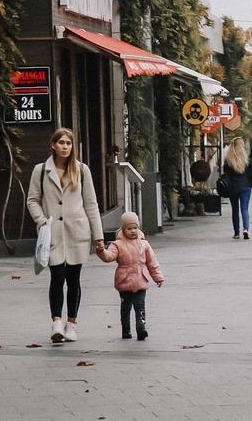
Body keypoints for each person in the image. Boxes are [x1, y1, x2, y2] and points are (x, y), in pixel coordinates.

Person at [27, 127, 105, 344]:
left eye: (68, 143)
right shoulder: (41, 170)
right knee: (56, 277)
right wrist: (42, 221)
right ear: (53, 145)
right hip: (52, 234)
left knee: (73, 280)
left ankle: (71, 324)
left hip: (77, 233)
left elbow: (91, 204)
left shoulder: (82, 170)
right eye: (61, 142)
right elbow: (32, 200)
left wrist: (98, 237)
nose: (65, 146)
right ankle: (56, 323)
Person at [96, 211, 164, 340]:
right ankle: (126, 330)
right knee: (125, 308)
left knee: (140, 307)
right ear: (123, 229)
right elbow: (109, 257)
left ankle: (141, 327)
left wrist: (158, 277)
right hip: (124, 281)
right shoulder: (117, 245)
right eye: (129, 228)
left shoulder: (144, 244)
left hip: (140, 280)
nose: (133, 231)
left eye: (135, 228)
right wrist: (101, 251)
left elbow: (152, 263)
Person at [223, 136, 252, 239]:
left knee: (235, 210)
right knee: (244, 208)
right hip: (245, 186)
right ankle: (246, 229)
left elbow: (226, 174)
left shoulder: (228, 160)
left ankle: (236, 233)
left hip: (233, 187)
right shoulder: (247, 160)